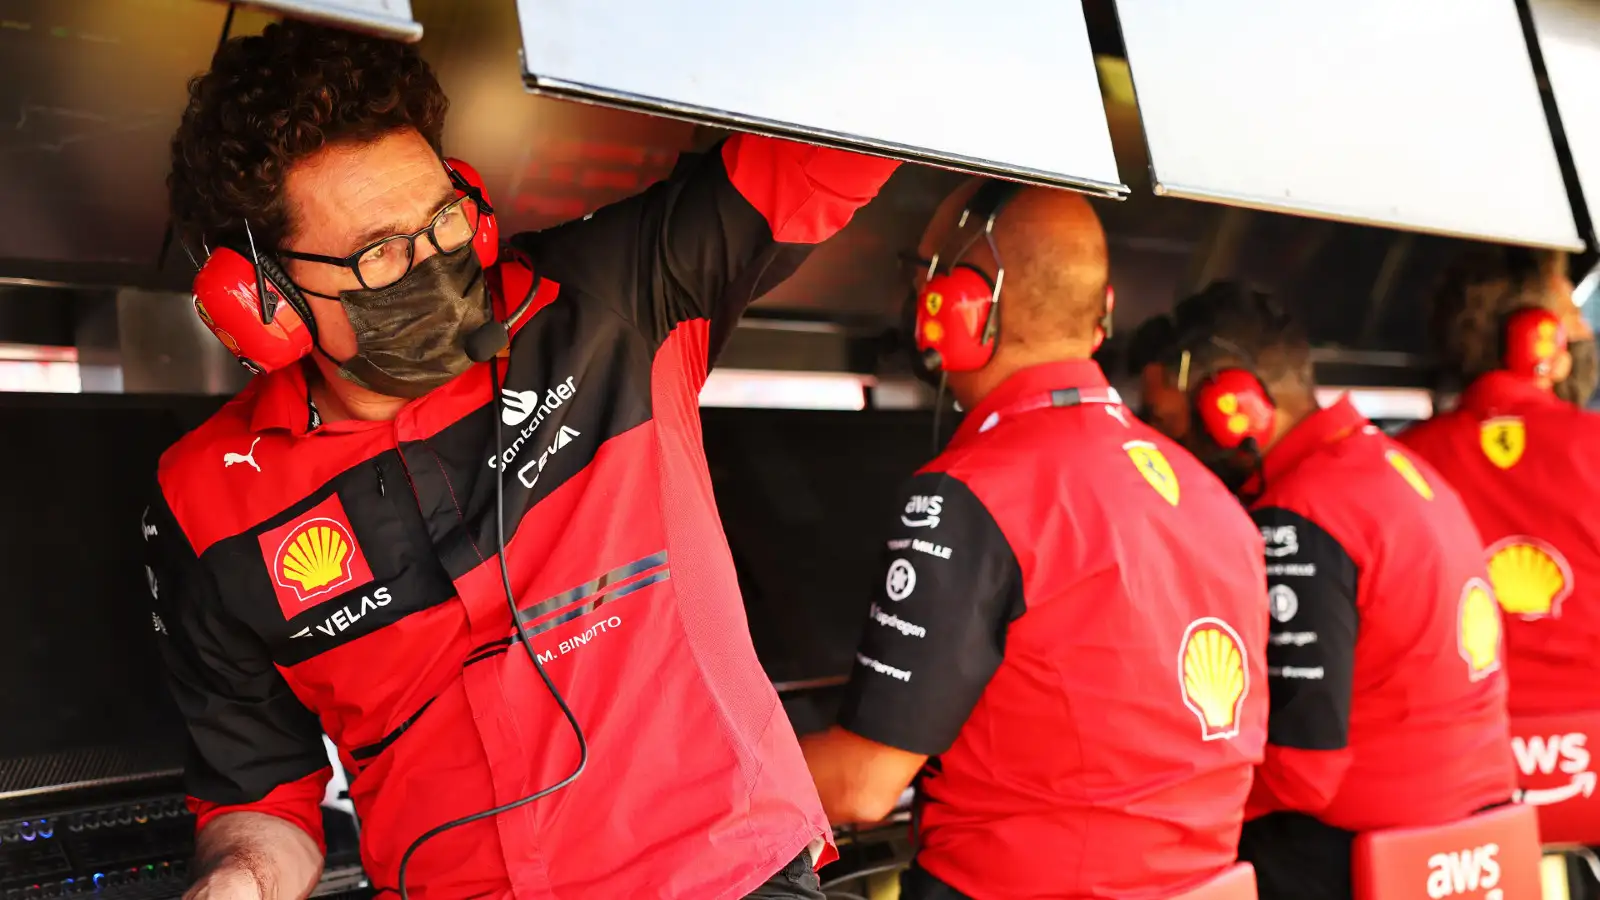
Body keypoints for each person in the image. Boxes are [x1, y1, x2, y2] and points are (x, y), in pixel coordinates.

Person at [143, 20, 897, 900]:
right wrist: (237, 881)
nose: (431, 262)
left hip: (725, 881)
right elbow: (261, 797)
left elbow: (843, 139)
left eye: (444, 219)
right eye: (380, 253)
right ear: (261, 302)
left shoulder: (613, 299)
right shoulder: (202, 505)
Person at [800, 180, 1270, 899]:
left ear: (963, 308)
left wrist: (684, 765)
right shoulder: (1215, 496)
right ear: (1102, 313)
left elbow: (862, 789)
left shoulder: (970, 492)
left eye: (925, 278)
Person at [1151, 282, 1516, 900]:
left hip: (1364, 846)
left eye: (1166, 425)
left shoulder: (1300, 516)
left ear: (1231, 404)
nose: (1166, 452)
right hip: (1476, 836)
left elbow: (1302, 772)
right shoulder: (1399, 468)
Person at [1399, 247, 1600, 717]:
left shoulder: (1405, 460)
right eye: (1572, 313)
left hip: (1465, 749)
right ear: (1537, 335)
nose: (1585, 331)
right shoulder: (1593, 445)